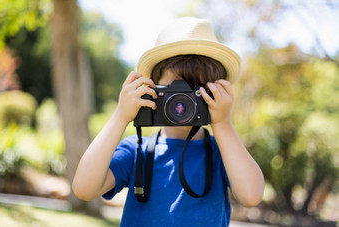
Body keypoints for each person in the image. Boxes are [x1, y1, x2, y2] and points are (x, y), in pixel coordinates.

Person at [72, 17, 265, 226]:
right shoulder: (136, 152)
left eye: (195, 90)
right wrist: (121, 115)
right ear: (153, 90)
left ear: (215, 92)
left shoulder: (223, 154)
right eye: (175, 90)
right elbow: (84, 188)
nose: (183, 102)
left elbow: (251, 196)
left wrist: (223, 124)